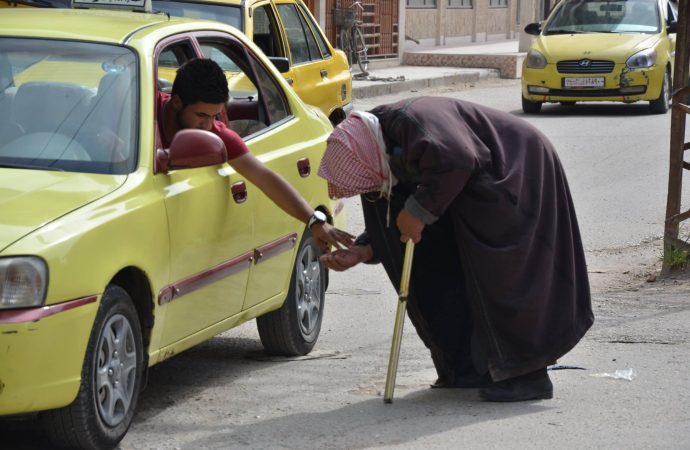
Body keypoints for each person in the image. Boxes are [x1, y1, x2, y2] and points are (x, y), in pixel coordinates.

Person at [318, 97, 594, 402]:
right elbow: (393, 213)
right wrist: (363, 250)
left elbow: (458, 159)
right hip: (470, 185)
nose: (371, 187)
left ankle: (527, 375)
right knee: (435, 263)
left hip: (515, 168)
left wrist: (420, 211)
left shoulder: (410, 121)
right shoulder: (378, 148)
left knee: (503, 273)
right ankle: (467, 368)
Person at [157, 58, 353, 251]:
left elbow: (264, 177)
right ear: (176, 102)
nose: (208, 126)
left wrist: (314, 221)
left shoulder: (218, 134)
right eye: (201, 116)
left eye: (214, 116)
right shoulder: (141, 113)